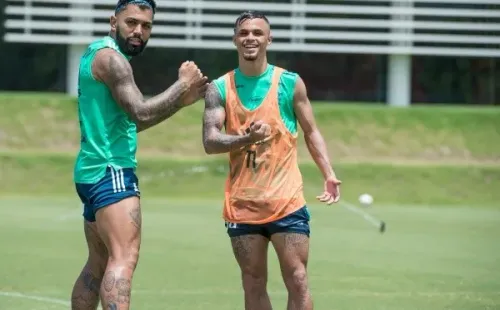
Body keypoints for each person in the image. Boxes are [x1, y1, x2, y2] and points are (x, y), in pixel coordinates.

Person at [70, 0, 208, 309]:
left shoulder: (94, 53)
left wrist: (179, 102)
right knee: (124, 259)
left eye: (146, 26)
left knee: (97, 263)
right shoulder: (114, 61)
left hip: (92, 172)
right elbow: (141, 114)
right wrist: (182, 84)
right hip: (112, 172)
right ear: (113, 21)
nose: (138, 31)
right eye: (131, 23)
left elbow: (129, 124)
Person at [202, 10, 342, 310]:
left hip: (286, 202)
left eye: (257, 32)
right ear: (234, 40)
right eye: (244, 33)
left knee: (298, 279)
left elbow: (311, 131)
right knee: (252, 283)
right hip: (243, 205)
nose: (250, 38)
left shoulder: (290, 83)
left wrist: (328, 172)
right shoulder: (219, 87)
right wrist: (246, 139)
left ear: (269, 38)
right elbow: (210, 142)